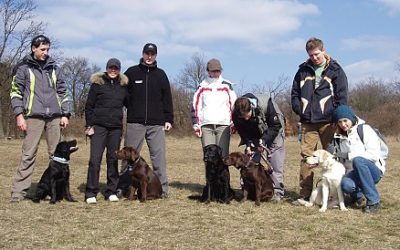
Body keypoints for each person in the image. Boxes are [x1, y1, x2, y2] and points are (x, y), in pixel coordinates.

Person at [9, 35, 71, 202]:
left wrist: (65, 113)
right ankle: (18, 192)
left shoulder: (54, 68)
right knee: (28, 154)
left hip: (54, 118)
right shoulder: (22, 68)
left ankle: (56, 192)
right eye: (42, 49)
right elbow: (15, 92)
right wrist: (19, 115)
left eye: (48, 49)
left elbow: (63, 92)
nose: (46, 52)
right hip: (33, 117)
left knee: (57, 156)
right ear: (33, 48)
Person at [291, 37, 348, 201]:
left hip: (329, 122)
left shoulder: (335, 70)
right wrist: (300, 110)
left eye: (316, 54)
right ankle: (305, 195)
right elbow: (295, 94)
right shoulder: (302, 70)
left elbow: (342, 96)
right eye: (311, 55)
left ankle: (337, 195)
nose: (314, 58)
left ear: (323, 51)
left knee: (333, 157)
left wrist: (336, 117)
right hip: (308, 122)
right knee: (306, 158)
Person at [121, 43, 173, 198]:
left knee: (159, 158)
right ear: (143, 54)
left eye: (152, 54)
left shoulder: (161, 75)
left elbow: (167, 98)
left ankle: (162, 189)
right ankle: (123, 188)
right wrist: (131, 107)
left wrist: (168, 118)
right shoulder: (131, 72)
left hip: (156, 123)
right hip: (135, 122)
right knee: (127, 157)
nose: (149, 57)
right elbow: (122, 94)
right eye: (147, 53)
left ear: (156, 55)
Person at [84, 58, 128, 204]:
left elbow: (129, 104)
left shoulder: (123, 86)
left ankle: (111, 191)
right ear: (107, 68)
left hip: (115, 128)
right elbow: (89, 106)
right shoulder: (98, 84)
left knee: (112, 159)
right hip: (98, 127)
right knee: (95, 160)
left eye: (116, 68)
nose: (113, 70)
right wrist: (89, 125)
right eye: (111, 67)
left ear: (119, 69)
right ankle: (91, 192)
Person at [332, 105, 386, 214]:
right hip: (355, 172)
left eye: (345, 120)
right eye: (340, 122)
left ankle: (374, 201)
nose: (343, 124)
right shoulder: (339, 137)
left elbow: (374, 155)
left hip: (373, 170)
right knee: (345, 184)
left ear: (351, 118)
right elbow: (344, 163)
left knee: (358, 160)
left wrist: (349, 155)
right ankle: (358, 197)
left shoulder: (364, 129)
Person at [232, 93, 285, 202]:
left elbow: (275, 126)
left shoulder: (266, 105)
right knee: (248, 161)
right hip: (254, 133)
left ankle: (277, 191)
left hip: (273, 128)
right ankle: (247, 190)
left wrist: (264, 140)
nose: (246, 118)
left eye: (248, 114)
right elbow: (243, 132)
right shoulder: (236, 114)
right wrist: (248, 143)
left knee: (275, 158)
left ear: (251, 107)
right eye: (243, 117)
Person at [191, 58, 237, 158]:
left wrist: (234, 123)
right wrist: (196, 124)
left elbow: (234, 105)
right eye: (213, 71)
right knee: (209, 158)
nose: (216, 73)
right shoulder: (202, 86)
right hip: (206, 126)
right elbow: (196, 105)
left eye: (218, 71)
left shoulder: (227, 85)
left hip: (223, 126)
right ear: (208, 71)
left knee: (223, 157)